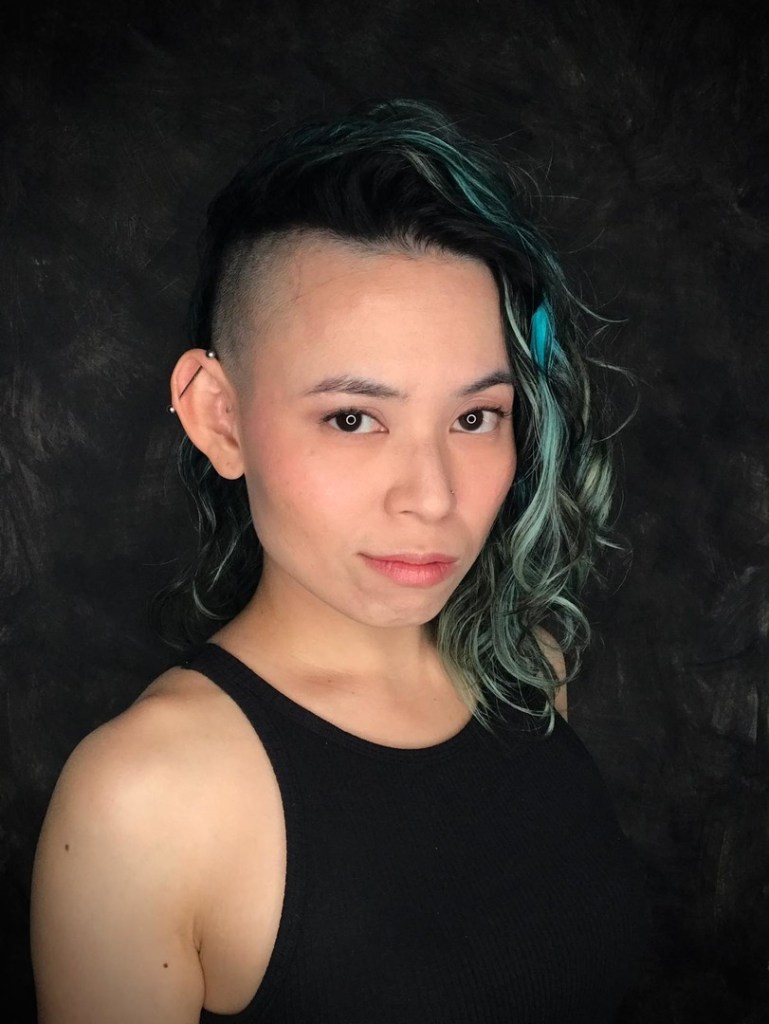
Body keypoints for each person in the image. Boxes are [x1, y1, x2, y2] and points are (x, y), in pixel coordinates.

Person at [30, 99, 651, 1023]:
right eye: (353, 418)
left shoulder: (528, 669)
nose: (431, 496)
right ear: (219, 418)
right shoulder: (145, 800)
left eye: (475, 416)